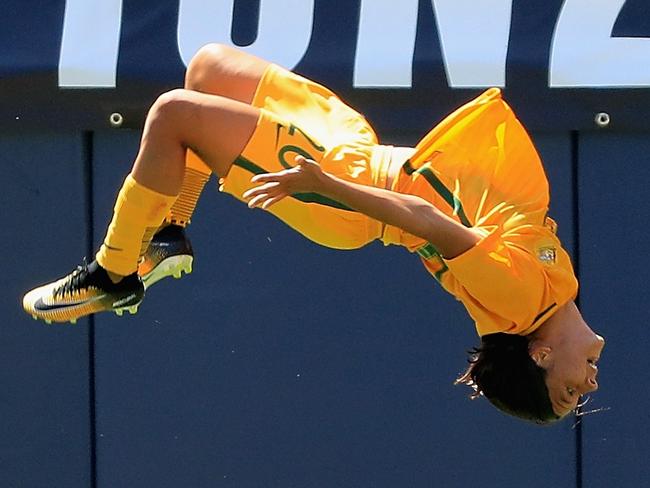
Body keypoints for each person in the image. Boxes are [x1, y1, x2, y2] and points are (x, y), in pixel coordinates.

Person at [22, 44, 604, 424]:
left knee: (174, 114)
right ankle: (170, 231)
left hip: (346, 189)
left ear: (543, 353)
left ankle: (114, 271)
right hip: (357, 156)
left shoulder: (522, 302)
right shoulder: (554, 289)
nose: (589, 385)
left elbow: (422, 218)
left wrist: (324, 183)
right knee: (208, 71)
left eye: (570, 392)